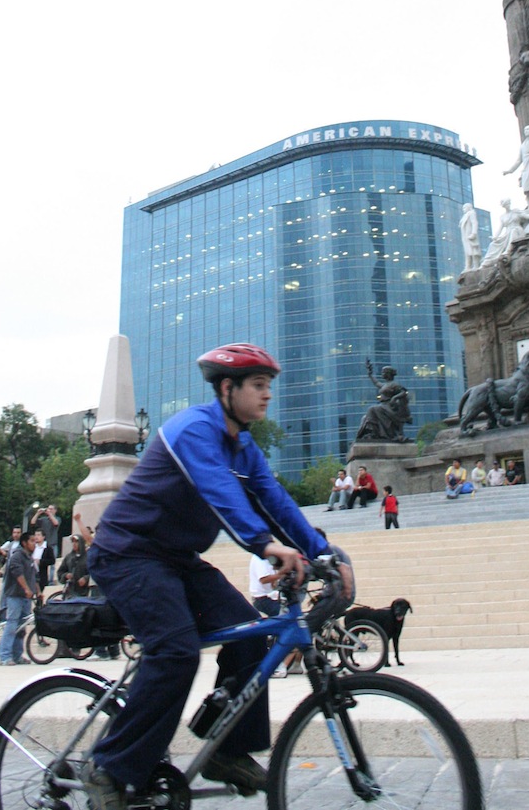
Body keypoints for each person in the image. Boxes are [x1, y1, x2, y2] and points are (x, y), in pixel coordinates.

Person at [84, 342, 353, 809]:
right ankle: (109, 765)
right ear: (227, 388)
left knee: (251, 633)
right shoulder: (193, 429)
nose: (268, 395)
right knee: (175, 651)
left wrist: (326, 554)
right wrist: (264, 544)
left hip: (177, 558)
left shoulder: (243, 446)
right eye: (258, 386)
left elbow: (275, 501)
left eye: (269, 386)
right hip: (128, 553)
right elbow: (219, 492)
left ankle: (226, 751)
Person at [0, 530, 36, 666]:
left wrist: (38, 591)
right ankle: (5, 656)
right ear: (24, 543)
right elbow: (17, 573)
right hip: (15, 596)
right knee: (12, 624)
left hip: (26, 597)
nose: (34, 544)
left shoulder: (29, 557)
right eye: (32, 541)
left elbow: (33, 576)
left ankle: (17, 655)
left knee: (22, 627)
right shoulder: (17, 556)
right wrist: (26, 589)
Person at [459, 203, 482, 271]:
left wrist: (474, 233)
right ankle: (468, 266)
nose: (463, 209)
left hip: (470, 235)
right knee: (467, 251)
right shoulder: (465, 216)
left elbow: (474, 223)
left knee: (474, 250)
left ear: (469, 207)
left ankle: (476, 265)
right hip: (465, 237)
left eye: (465, 207)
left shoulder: (471, 213)